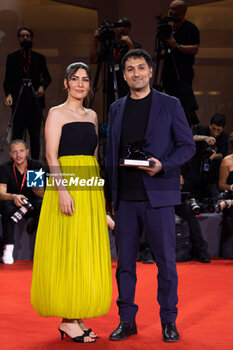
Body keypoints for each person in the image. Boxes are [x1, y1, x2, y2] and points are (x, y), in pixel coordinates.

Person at [105, 49, 195, 342]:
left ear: (150, 71)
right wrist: (110, 197)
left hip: (159, 196)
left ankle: (169, 319)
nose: (136, 73)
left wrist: (163, 165)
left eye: (141, 67)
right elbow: (111, 152)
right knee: (125, 266)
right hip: (126, 200)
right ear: (124, 75)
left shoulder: (170, 104)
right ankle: (127, 320)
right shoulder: (117, 107)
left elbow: (187, 146)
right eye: (130, 69)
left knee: (166, 264)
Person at [30, 62, 112, 343]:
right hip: (65, 185)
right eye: (74, 79)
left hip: (88, 188)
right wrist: (63, 190)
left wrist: (99, 199)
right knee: (68, 248)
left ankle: (75, 316)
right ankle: (67, 320)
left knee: (83, 249)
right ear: (65, 83)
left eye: (85, 80)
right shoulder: (55, 113)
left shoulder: (92, 116)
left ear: (90, 85)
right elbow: (51, 156)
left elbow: (94, 159)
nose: (80, 84)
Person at [3, 27, 51, 160]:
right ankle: (16, 167)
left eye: (27, 36)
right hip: (19, 103)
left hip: (35, 102)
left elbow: (47, 77)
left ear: (31, 38)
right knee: (17, 136)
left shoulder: (39, 57)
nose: (25, 38)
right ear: (19, 38)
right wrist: (8, 94)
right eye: (22, 36)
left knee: (35, 136)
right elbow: (7, 81)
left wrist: (42, 87)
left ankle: (35, 169)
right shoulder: (12, 58)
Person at [0, 139, 43, 264]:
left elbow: (39, 193)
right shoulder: (4, 167)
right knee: (6, 206)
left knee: (41, 204)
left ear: (27, 152)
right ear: (10, 154)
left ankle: (40, 249)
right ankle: (8, 248)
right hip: (14, 203)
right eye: (14, 152)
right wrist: (13, 196)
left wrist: (38, 189)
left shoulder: (35, 165)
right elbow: (1, 193)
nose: (18, 155)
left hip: (32, 202)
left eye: (21, 151)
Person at [161, 0, 200, 125]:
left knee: (183, 101)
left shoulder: (191, 28)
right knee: (169, 99)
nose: (170, 11)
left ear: (181, 11)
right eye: (170, 8)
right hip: (168, 71)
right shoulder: (169, 28)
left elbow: (195, 49)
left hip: (183, 71)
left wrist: (176, 46)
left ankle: (185, 125)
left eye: (173, 9)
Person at [90, 17, 141, 107]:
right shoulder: (110, 47)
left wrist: (130, 45)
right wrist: (96, 41)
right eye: (118, 26)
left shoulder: (135, 45)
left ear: (128, 29)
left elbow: (137, 63)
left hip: (128, 87)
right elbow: (93, 60)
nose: (121, 29)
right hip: (112, 87)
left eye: (124, 26)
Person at [182, 113, 228, 201]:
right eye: (213, 129)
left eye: (219, 130)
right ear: (210, 125)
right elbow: (189, 138)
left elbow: (223, 153)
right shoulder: (201, 129)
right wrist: (204, 138)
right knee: (192, 188)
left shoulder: (224, 137)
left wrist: (216, 155)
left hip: (212, 169)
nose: (215, 132)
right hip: (195, 164)